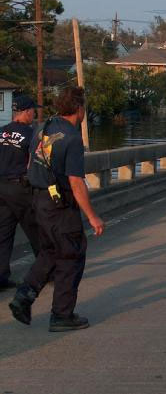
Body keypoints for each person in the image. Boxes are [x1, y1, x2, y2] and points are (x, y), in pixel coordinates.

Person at [9, 87, 105, 332]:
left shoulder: (43, 127)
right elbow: (75, 181)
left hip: (38, 200)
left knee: (49, 252)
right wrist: (92, 216)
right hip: (60, 205)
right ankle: (62, 315)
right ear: (79, 108)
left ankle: (24, 296)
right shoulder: (72, 138)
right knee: (71, 256)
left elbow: (31, 163)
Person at [0, 95, 41, 290]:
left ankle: (0, 277)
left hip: (1, 187)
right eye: (33, 110)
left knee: (3, 233)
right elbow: (34, 162)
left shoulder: (1, 132)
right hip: (19, 187)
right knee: (36, 228)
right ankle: (46, 270)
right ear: (26, 111)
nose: (35, 114)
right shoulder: (31, 134)